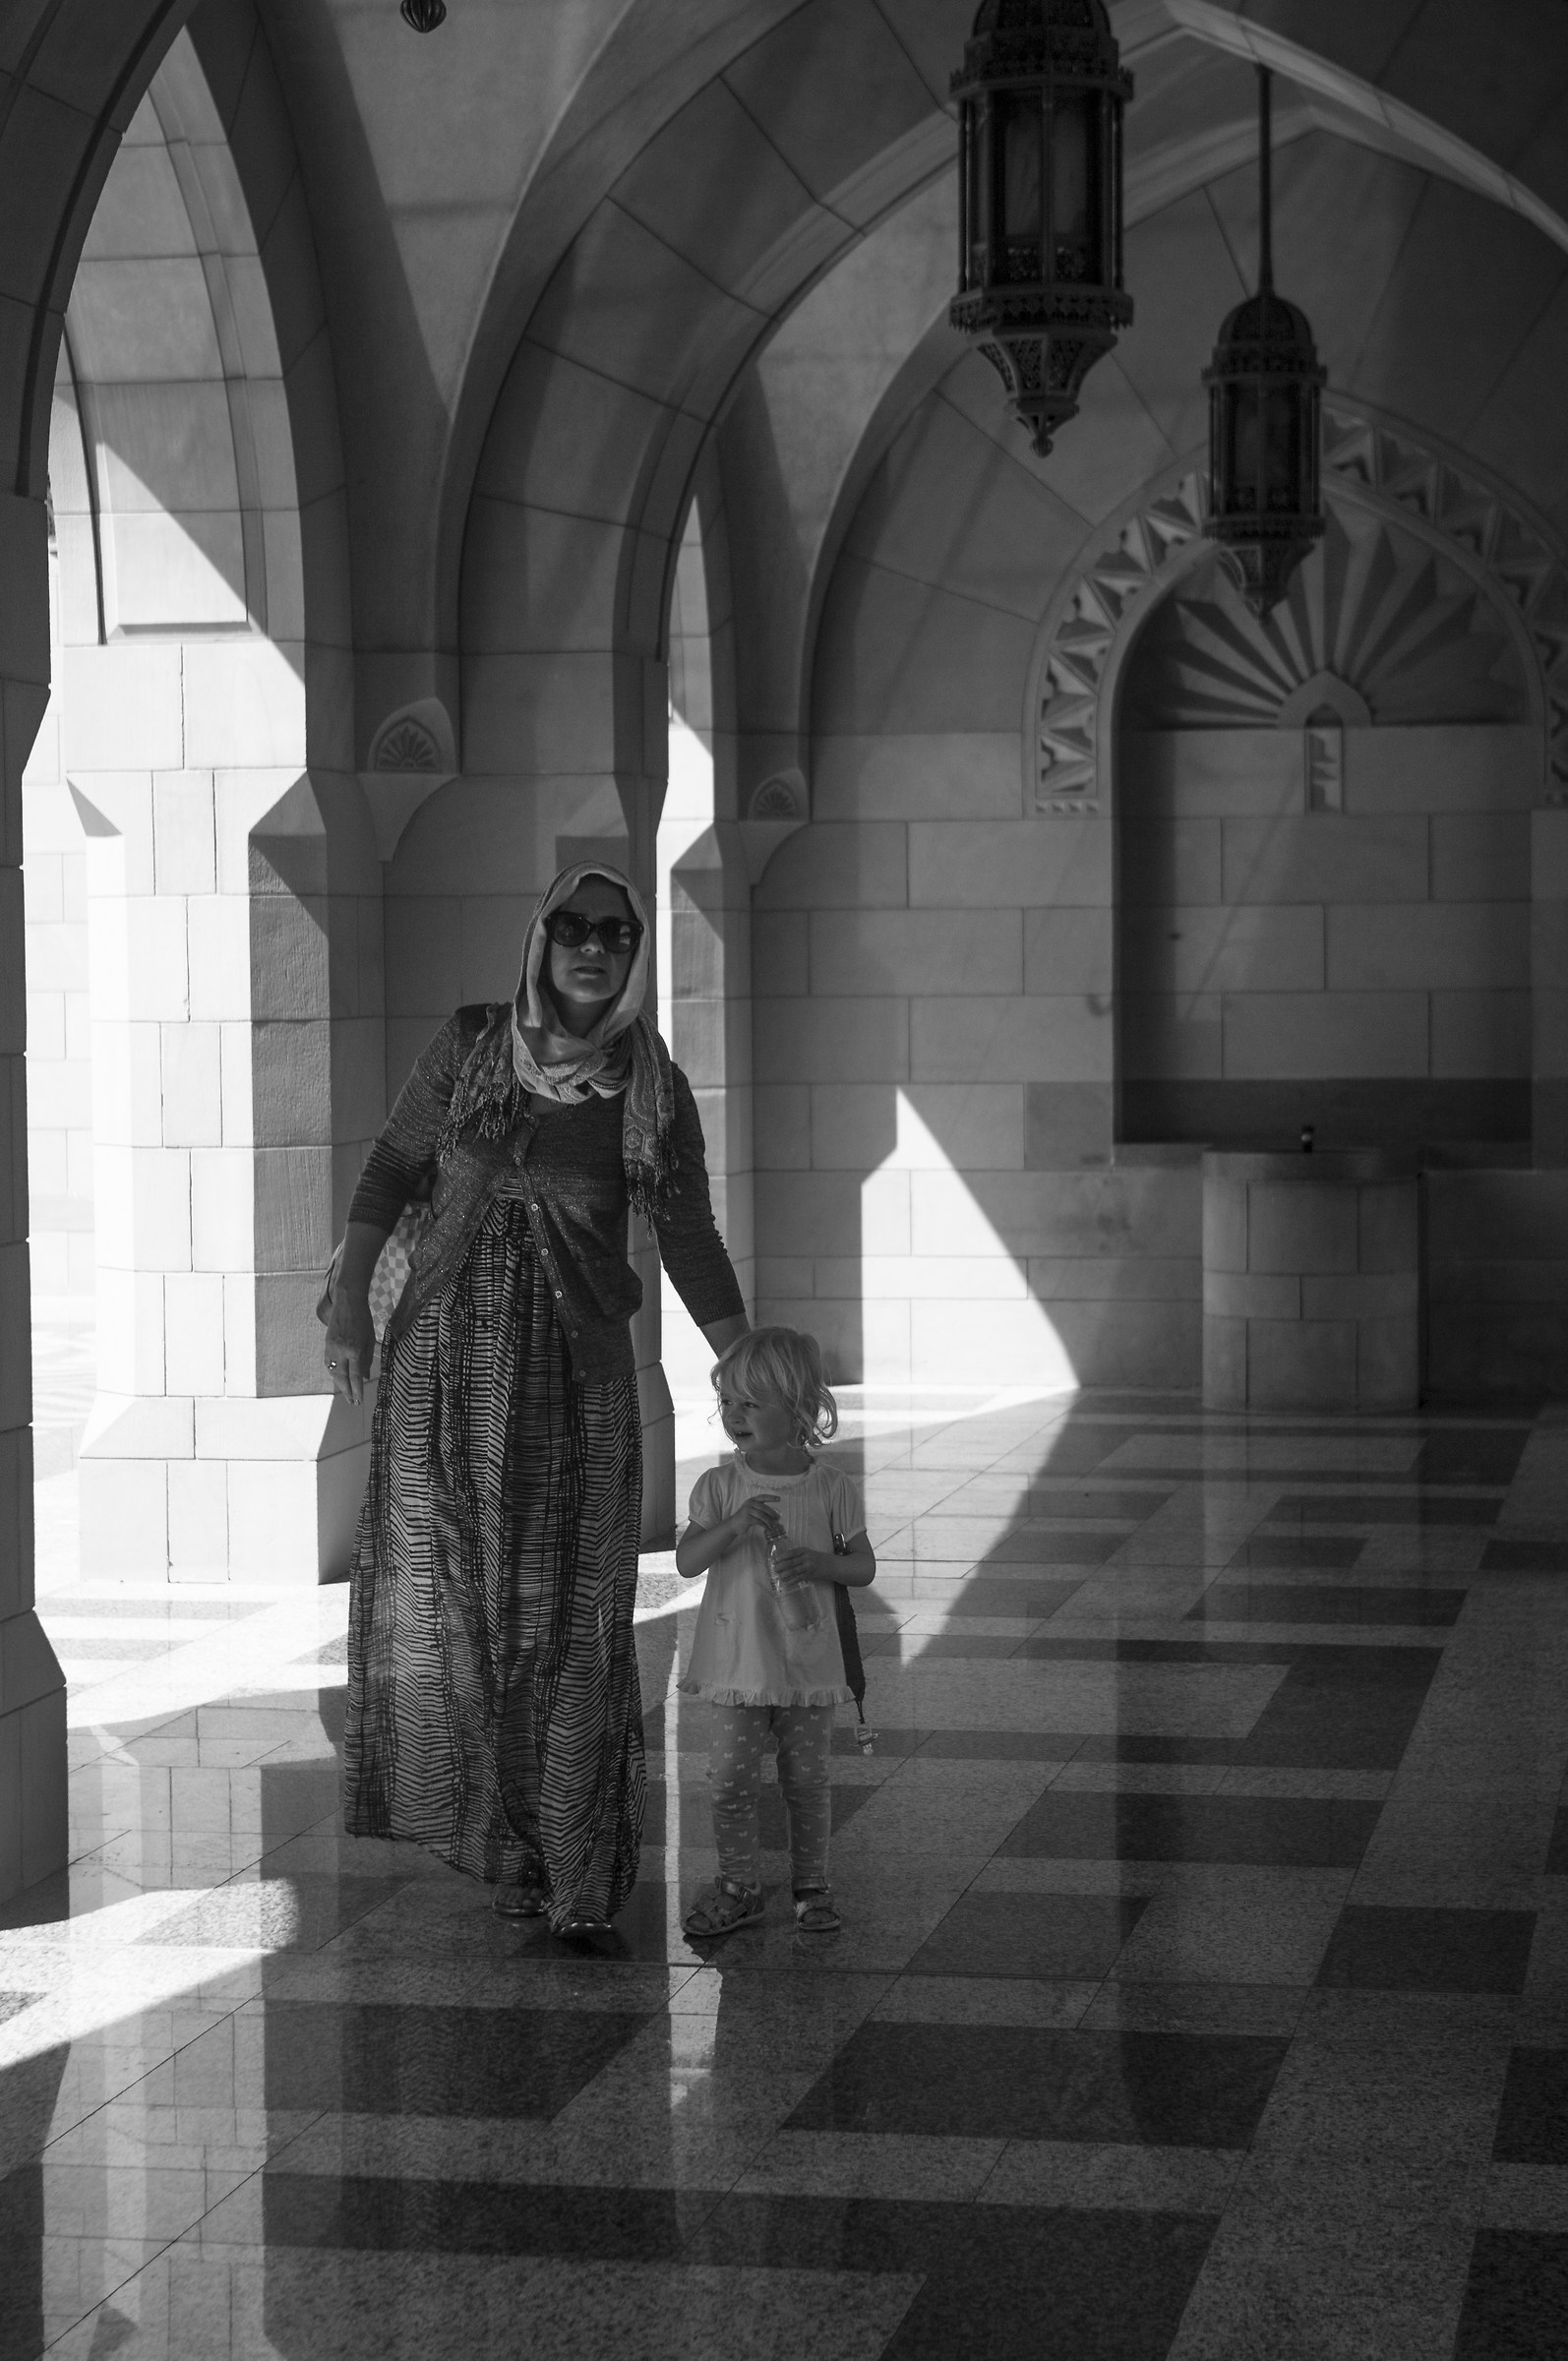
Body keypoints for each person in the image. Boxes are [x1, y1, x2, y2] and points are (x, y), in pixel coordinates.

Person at [323, 863, 749, 1936]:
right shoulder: (472, 1043)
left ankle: (578, 1870)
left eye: (615, 931)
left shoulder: (648, 1083)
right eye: (573, 927)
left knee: (570, 1624)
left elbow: (688, 1230)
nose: (593, 947)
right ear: (541, 937)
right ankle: (509, 1845)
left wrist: (739, 1347)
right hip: (441, 1378)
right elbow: (390, 1167)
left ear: (634, 952)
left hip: (575, 1382)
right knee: (462, 1613)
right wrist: (347, 1310)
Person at [675, 1327, 875, 1936]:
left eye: (751, 1403)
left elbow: (862, 1567)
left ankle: (812, 1883)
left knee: (807, 1777)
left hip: (807, 1662)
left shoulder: (832, 1489)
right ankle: (738, 1882)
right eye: (728, 1402)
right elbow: (688, 1560)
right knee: (730, 1777)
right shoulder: (719, 1486)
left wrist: (818, 1563)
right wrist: (733, 1526)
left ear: (799, 1410)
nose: (734, 1415)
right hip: (738, 1663)